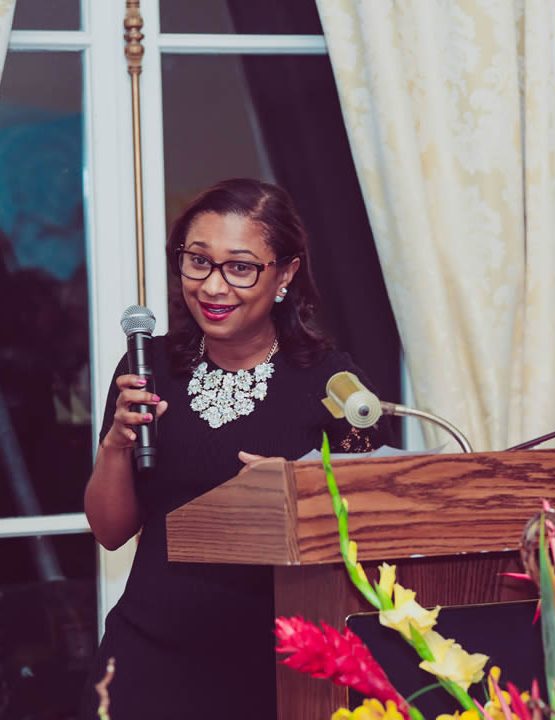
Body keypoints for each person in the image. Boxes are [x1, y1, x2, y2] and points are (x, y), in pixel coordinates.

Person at [80, 178, 393, 719]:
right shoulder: (147, 368)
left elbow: (376, 529)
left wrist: (298, 492)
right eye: (198, 261)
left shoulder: (335, 385)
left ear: (286, 274)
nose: (213, 286)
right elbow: (111, 532)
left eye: (240, 267)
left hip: (278, 666)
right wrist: (114, 445)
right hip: (148, 655)